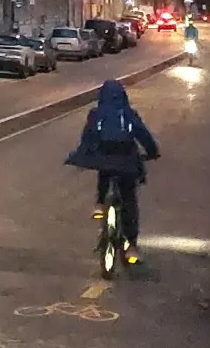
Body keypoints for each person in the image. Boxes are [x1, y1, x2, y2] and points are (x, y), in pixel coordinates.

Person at [66, 79, 160, 263]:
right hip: (127, 161)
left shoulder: (96, 114)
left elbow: (88, 137)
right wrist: (153, 153)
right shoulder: (129, 114)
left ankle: (100, 204)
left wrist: (83, 155)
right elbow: (143, 135)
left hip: (104, 159)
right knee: (129, 200)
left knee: (105, 171)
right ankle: (131, 247)